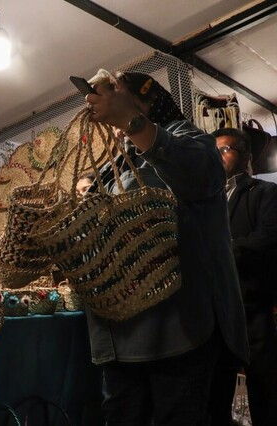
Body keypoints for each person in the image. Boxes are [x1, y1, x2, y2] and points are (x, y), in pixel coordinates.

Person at [85, 71, 249, 425]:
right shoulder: (113, 171)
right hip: (121, 339)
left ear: (146, 101)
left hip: (181, 338)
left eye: (121, 96)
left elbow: (199, 172)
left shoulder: (191, 141)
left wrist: (131, 120)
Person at [209, 127, 277, 426]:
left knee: (263, 386)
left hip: (251, 304)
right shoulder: (207, 199)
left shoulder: (264, 192)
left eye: (226, 149)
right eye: (214, 151)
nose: (218, 156)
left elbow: (268, 237)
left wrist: (223, 251)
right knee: (217, 388)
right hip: (216, 311)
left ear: (246, 156)